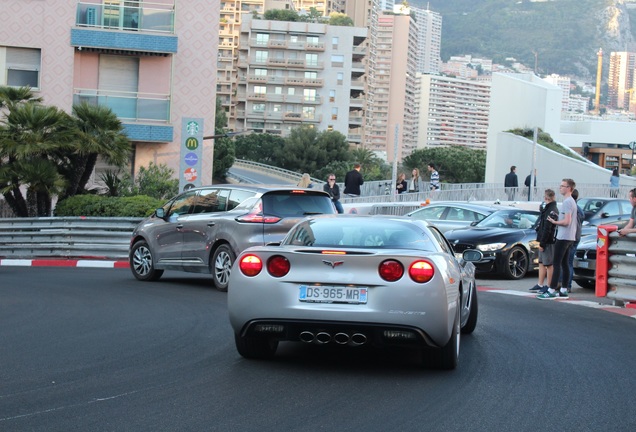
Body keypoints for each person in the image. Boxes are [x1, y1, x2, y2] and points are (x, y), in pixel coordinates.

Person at [537, 178, 577, 299]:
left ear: (569, 188)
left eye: (563, 186)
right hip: (570, 236)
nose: (560, 188)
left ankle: (552, 289)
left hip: (564, 237)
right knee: (564, 264)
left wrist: (555, 221)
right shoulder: (571, 201)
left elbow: (567, 221)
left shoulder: (567, 202)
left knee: (556, 263)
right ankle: (564, 289)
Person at [530, 189, 558, 293]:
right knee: (541, 262)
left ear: (547, 198)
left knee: (549, 264)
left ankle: (548, 285)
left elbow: (548, 228)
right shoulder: (547, 209)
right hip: (543, 239)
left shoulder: (552, 210)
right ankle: (540, 284)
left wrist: (542, 242)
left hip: (548, 241)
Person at [560, 188, 584, 293]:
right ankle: (566, 284)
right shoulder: (579, 209)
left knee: (566, 262)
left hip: (571, 236)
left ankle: (565, 284)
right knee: (568, 262)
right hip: (576, 236)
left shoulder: (571, 207)